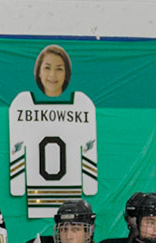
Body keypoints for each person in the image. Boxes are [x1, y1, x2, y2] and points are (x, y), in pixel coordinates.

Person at [7, 43, 98, 219]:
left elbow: (90, 159)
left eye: (59, 69)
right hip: (37, 197)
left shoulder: (82, 103)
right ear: (38, 72)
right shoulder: (22, 103)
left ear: (67, 73)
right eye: (47, 67)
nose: (52, 75)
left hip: (69, 202)